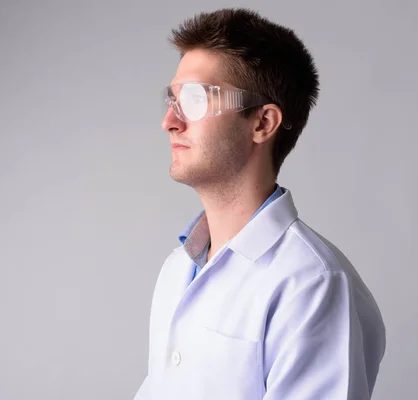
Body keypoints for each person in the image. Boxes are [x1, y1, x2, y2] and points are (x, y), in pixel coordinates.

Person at [134, 8, 386, 400]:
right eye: (172, 99)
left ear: (263, 123)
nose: (170, 120)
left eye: (196, 99)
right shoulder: (178, 269)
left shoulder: (310, 284)